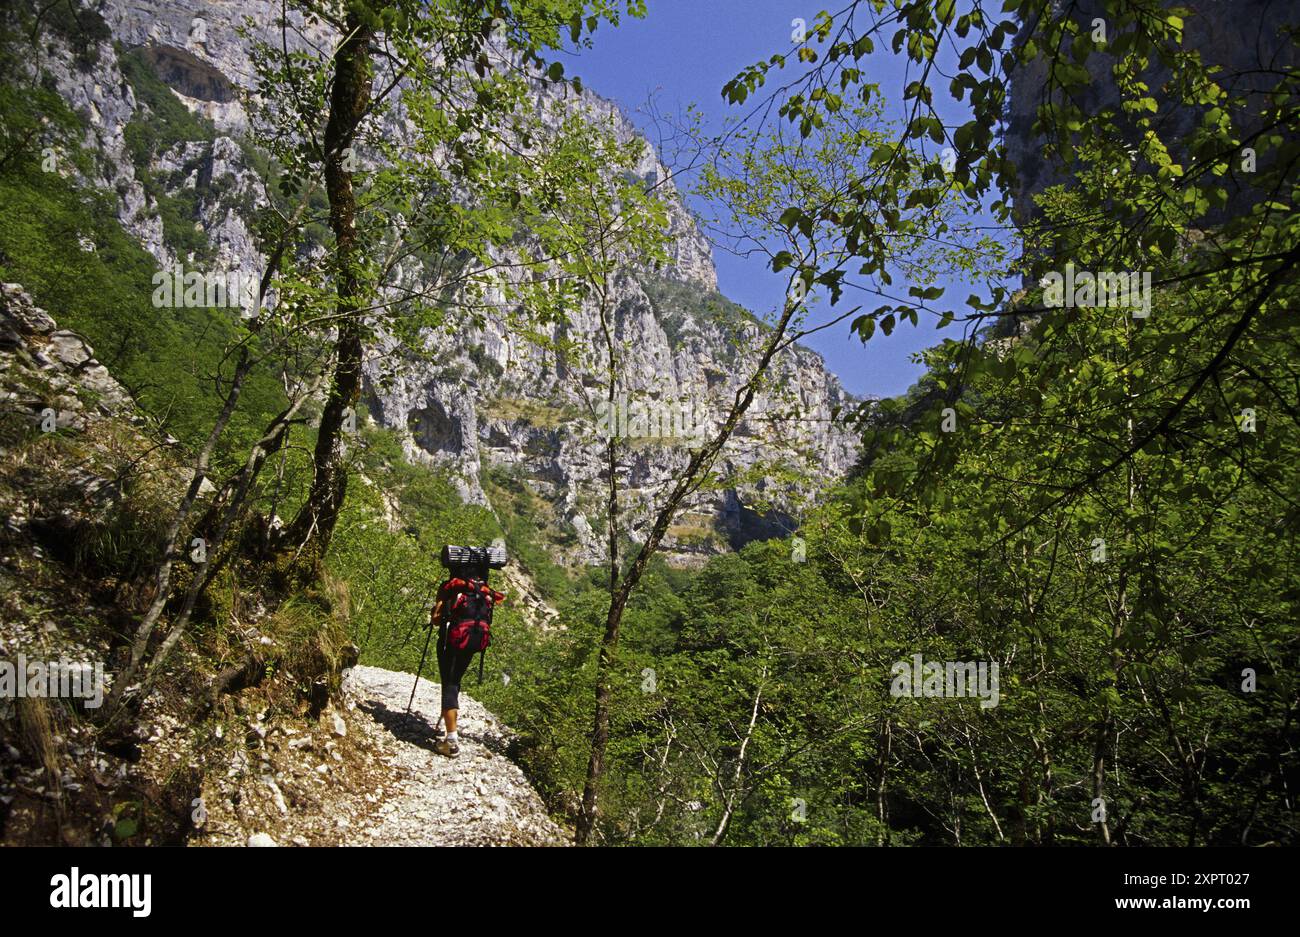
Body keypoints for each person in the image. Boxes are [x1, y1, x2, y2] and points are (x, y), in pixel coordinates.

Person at [429, 561, 501, 757]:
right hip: (473, 641)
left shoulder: (453, 588)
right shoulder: (482, 590)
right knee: (456, 681)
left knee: (449, 684)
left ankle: (451, 741)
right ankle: (449, 726)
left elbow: (436, 619)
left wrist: (438, 609)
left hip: (452, 642)